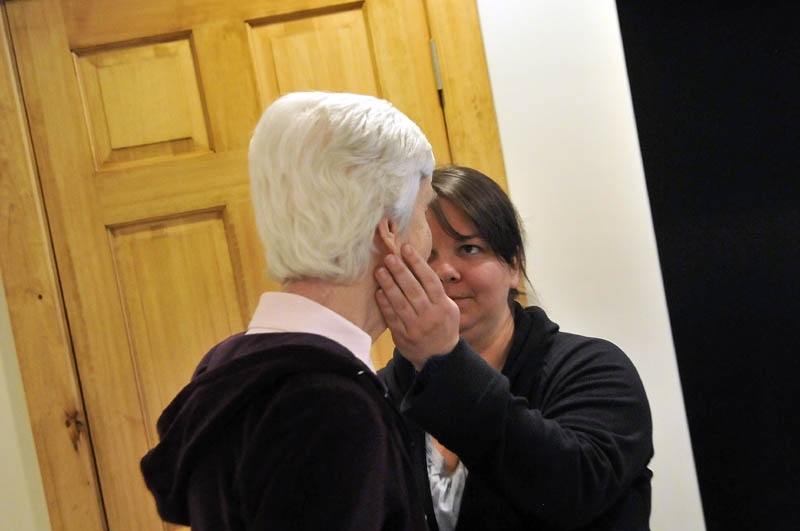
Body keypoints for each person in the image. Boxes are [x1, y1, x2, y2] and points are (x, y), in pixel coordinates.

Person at [140, 92, 459, 530]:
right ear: (388, 229)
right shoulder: (330, 404)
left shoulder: (230, 366)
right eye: (425, 214)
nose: (432, 246)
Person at [375, 166, 653, 530]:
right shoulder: (381, 394)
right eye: (426, 254)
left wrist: (442, 360)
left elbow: (572, 491)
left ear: (514, 266)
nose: (445, 271)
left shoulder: (594, 369)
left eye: (469, 248)